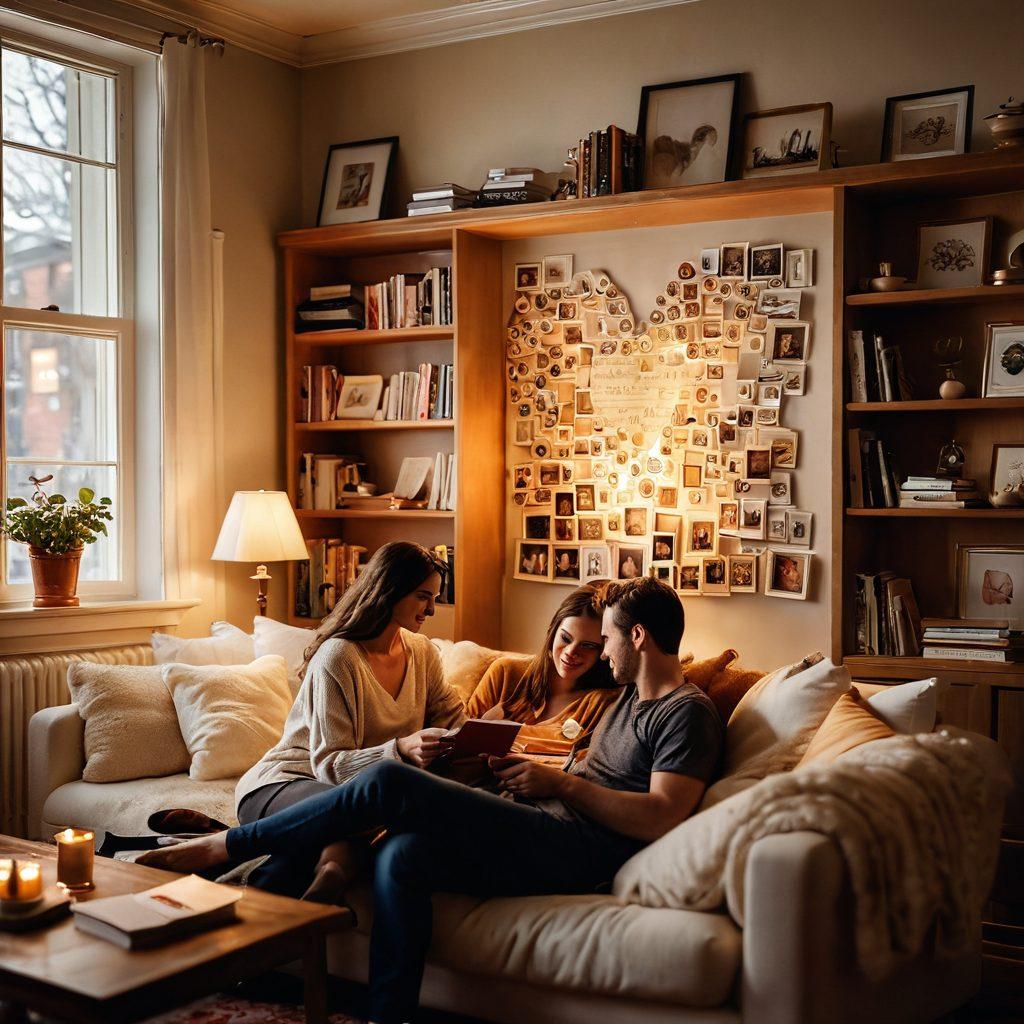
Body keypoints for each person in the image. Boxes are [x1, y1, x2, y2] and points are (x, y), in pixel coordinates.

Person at [139, 578, 723, 1024]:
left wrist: (562, 785)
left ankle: (223, 846)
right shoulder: (629, 699)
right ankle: (387, 1015)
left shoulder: (685, 712)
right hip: (540, 820)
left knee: (391, 783)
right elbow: (587, 769)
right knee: (403, 852)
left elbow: (661, 816)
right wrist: (528, 775)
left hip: (575, 849)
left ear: (637, 637)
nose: (603, 652)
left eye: (609, 638)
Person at [227, 541, 465, 901]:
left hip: (358, 798)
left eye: (434, 598)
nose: (431, 609)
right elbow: (329, 765)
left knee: (355, 827)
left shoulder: (422, 652)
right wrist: (401, 749)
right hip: (285, 783)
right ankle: (237, 857)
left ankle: (311, 895)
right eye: (422, 597)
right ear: (390, 589)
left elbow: (453, 718)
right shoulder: (338, 657)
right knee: (368, 813)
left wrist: (475, 738)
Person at [466, 584, 617, 757]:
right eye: (566, 638)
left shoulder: (602, 702)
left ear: (603, 651)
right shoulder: (505, 673)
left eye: (588, 646)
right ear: (552, 631)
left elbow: (587, 761)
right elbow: (458, 738)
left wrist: (493, 730)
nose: (571, 652)